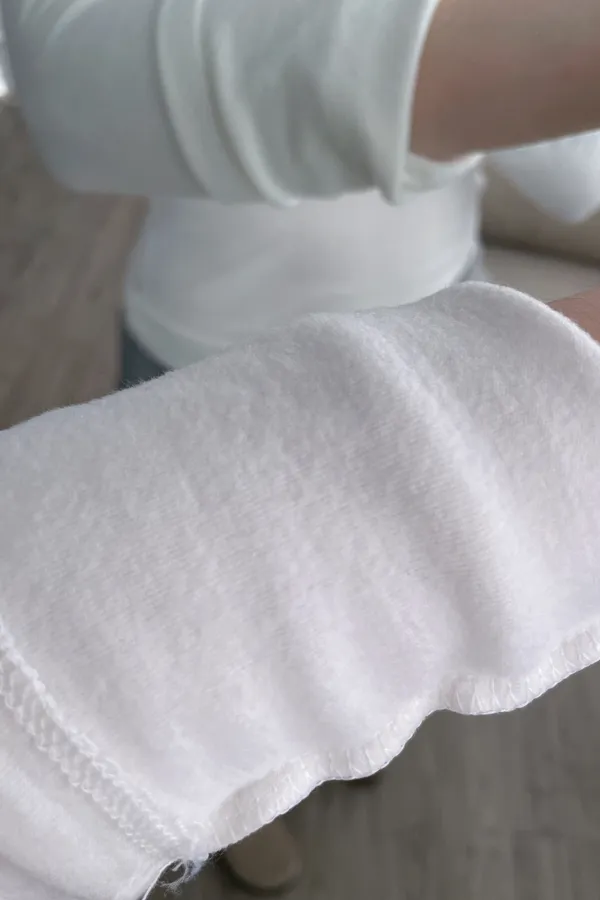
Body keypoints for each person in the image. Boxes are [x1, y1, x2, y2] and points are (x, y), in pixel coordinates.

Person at [3, 0, 600, 895]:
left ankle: (323, 756)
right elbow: (72, 95)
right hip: (200, 338)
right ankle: (246, 814)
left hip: (432, 302)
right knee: (204, 667)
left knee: (379, 648)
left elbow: (577, 178)